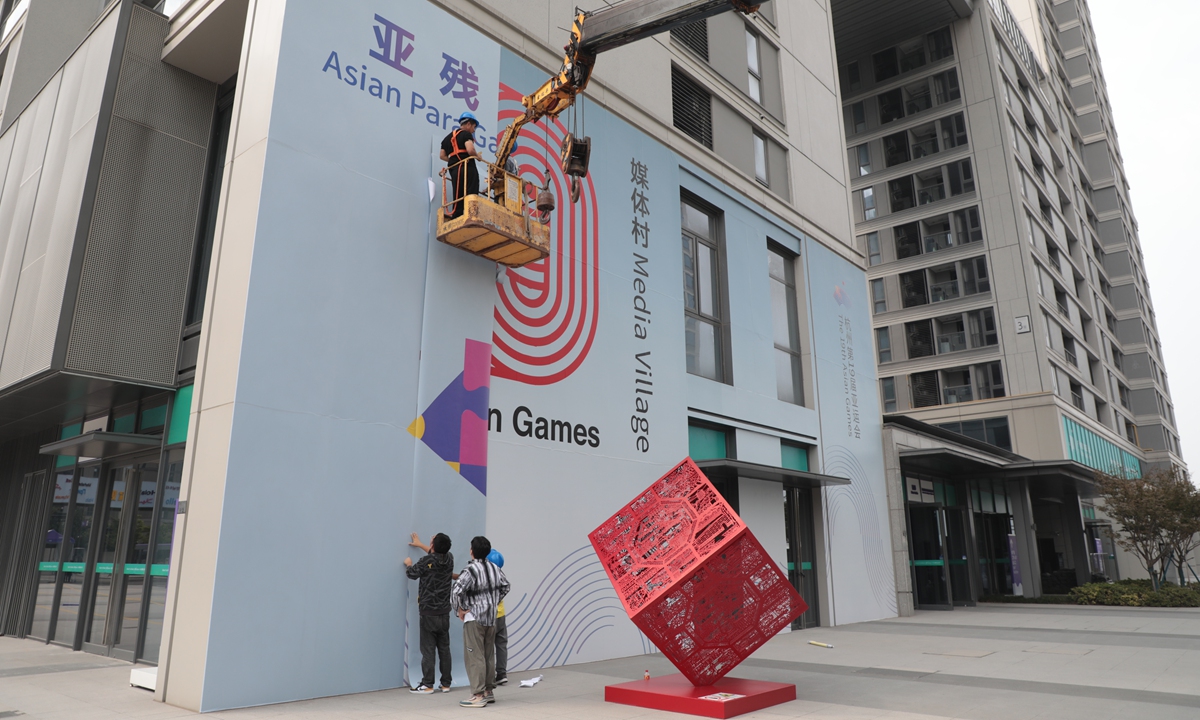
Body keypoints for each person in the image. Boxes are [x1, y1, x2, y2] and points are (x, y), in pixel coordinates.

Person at [450, 536, 509, 708]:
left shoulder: (470, 570)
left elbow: (456, 591)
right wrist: (493, 601)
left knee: (474, 656)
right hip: (491, 618)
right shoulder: (494, 568)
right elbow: (506, 586)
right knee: (488, 654)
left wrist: (459, 609)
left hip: (474, 618)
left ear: (472, 551)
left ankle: (477, 694)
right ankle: (488, 691)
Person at [405, 532, 455, 694]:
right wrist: (420, 544)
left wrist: (408, 564)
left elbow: (412, 574)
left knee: (427, 650)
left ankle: (427, 684)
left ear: (433, 545)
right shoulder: (450, 559)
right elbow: (435, 557)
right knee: (444, 649)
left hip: (428, 613)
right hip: (444, 612)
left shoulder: (426, 561)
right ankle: (446, 684)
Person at [440, 111, 484, 219]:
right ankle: (472, 213)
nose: (473, 130)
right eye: (474, 127)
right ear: (468, 124)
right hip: (467, 167)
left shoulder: (447, 138)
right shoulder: (466, 134)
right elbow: (470, 149)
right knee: (471, 188)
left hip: (454, 169)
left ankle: (457, 214)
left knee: (458, 191)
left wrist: (453, 160)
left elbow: (442, 155)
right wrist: (478, 157)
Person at [486, 549, 508, 686]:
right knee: (501, 644)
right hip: (501, 614)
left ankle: (488, 675)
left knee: (487, 646)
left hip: (489, 615)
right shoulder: (501, 575)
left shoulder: (485, 576)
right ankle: (502, 673)